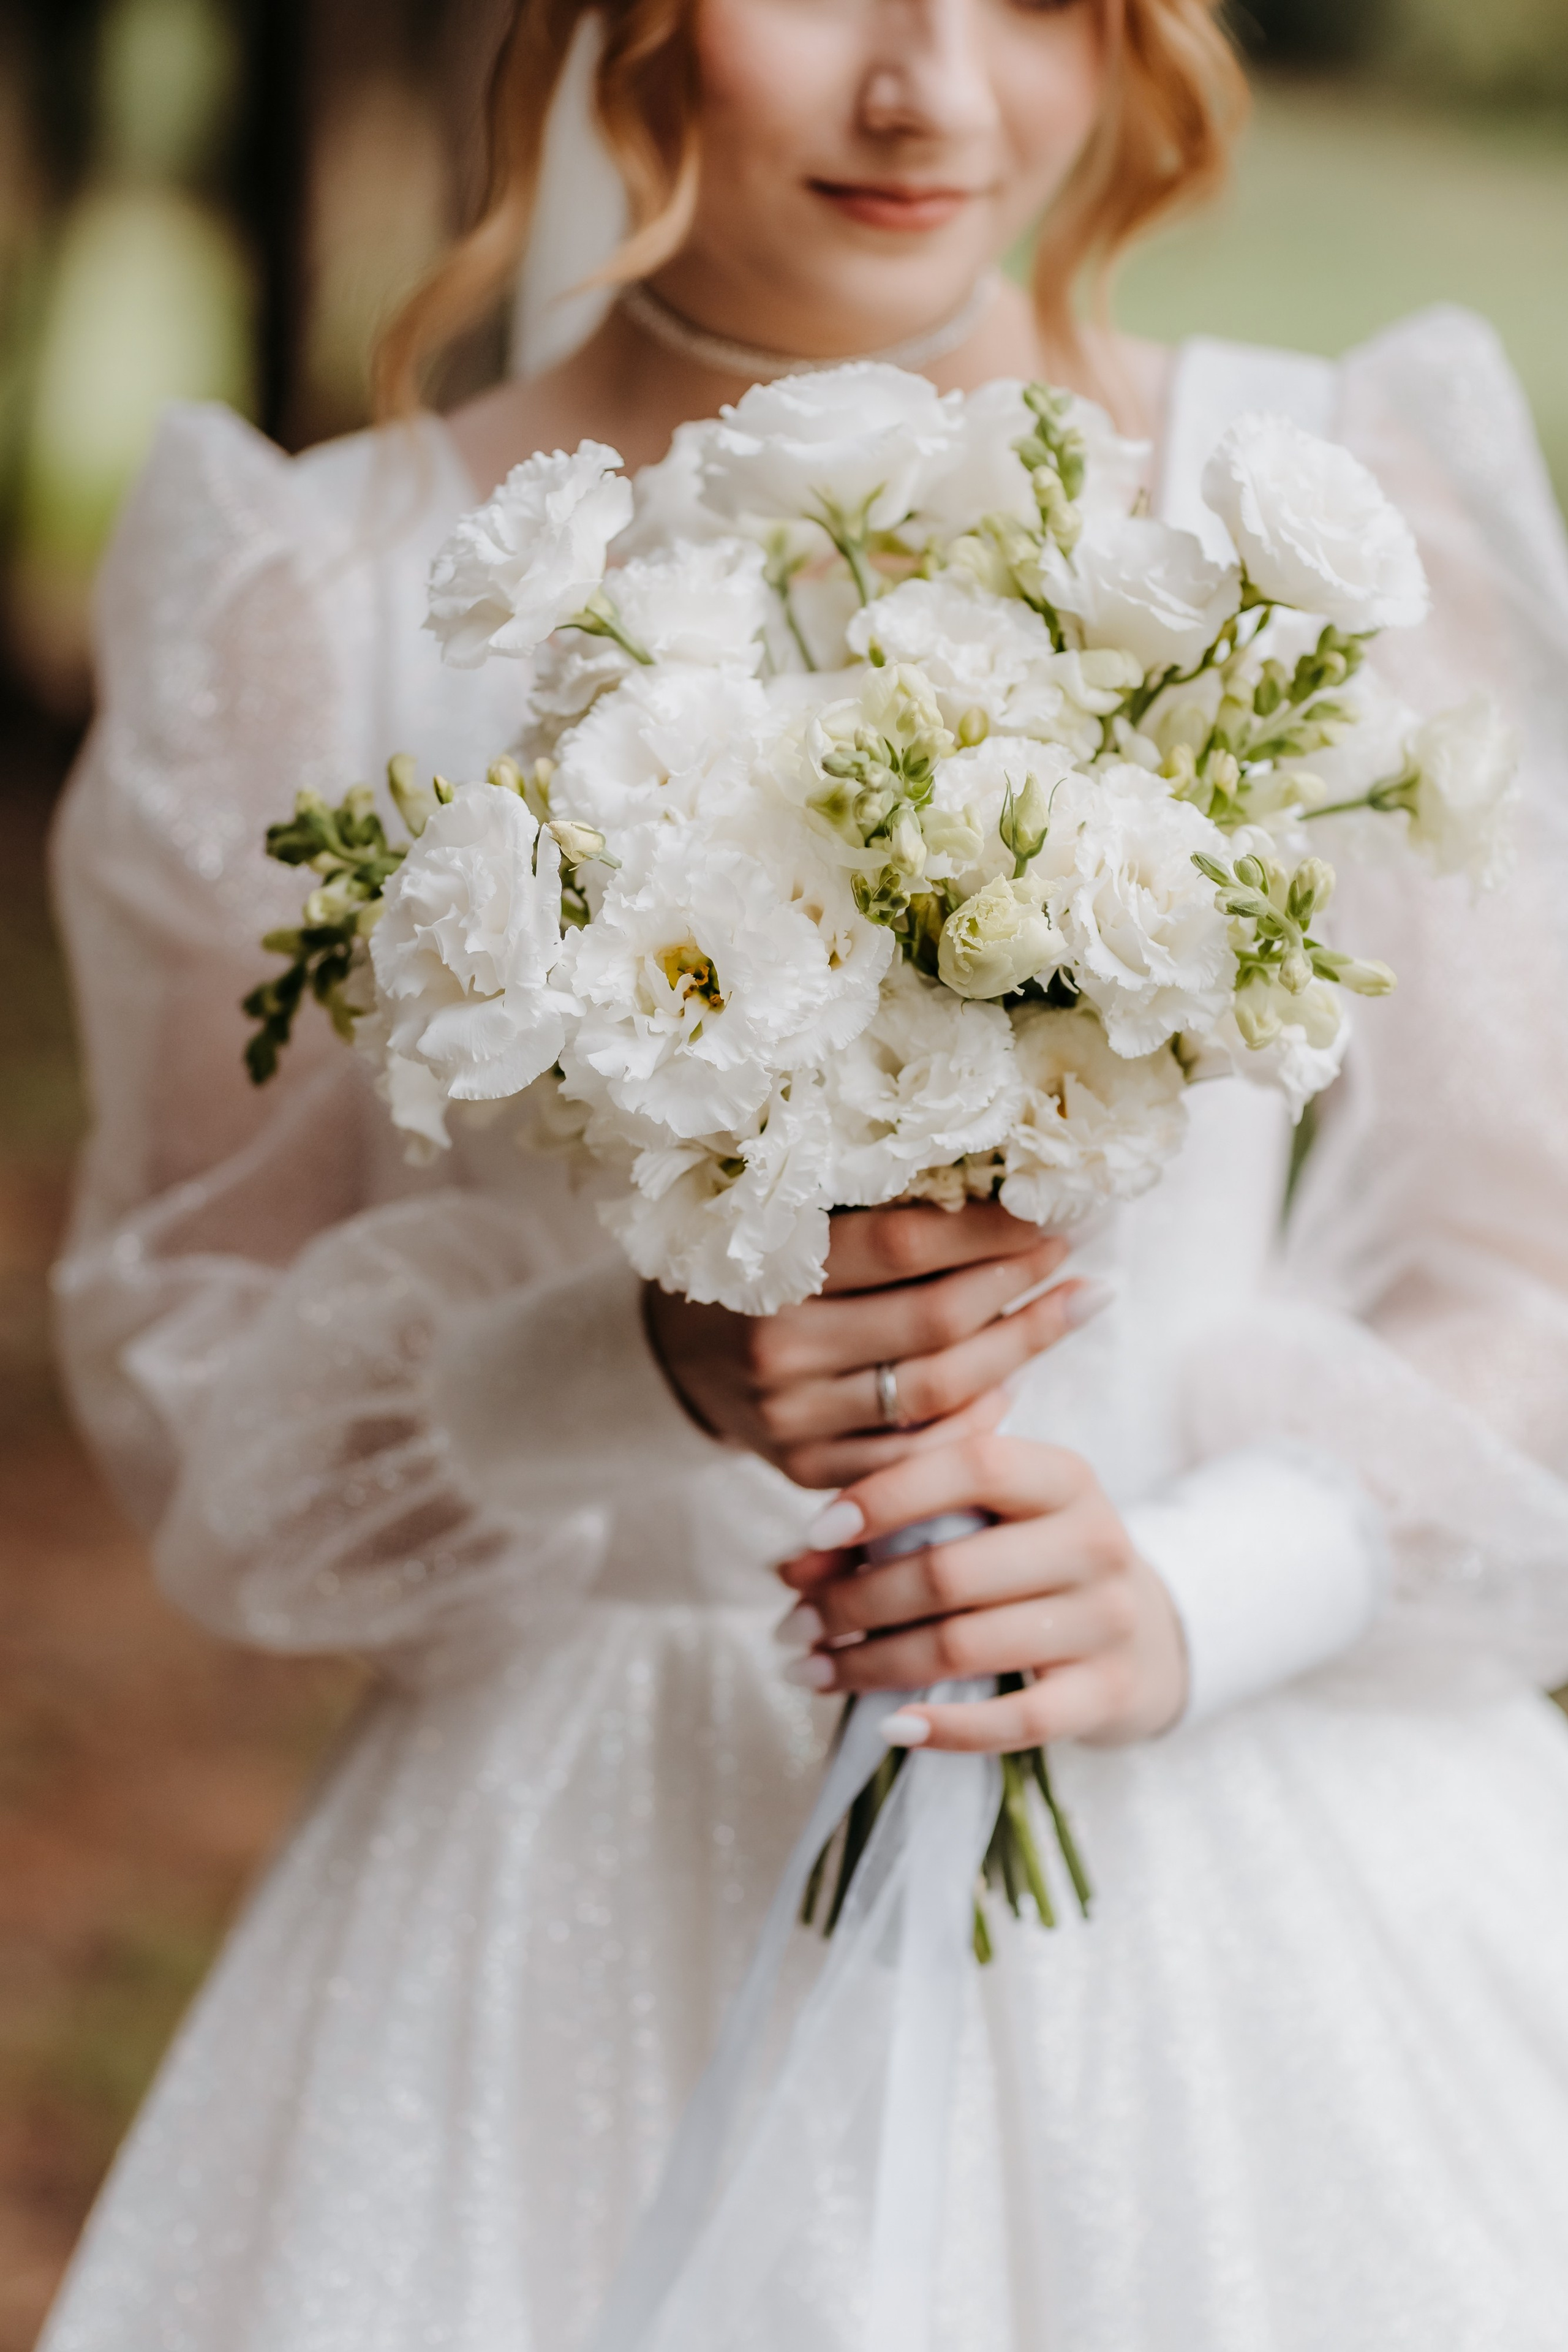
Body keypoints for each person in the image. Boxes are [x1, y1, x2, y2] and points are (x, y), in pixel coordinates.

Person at [38, 1, 1568, 2345]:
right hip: (567, 1892)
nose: (934, 90)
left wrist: (1221, 1576)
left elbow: (1528, 1255)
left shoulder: (1308, 521)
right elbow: (207, 1400)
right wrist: (629, 1371)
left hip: (1239, 1859)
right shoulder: (330, 598)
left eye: (1037, 1)